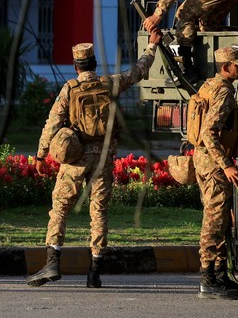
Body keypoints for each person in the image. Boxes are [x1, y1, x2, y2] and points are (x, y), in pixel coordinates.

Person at [26, 30, 161, 289]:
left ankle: (53, 262)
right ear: (94, 64)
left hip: (75, 158)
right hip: (104, 158)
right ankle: (94, 271)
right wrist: (151, 47)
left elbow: (52, 123)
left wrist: (41, 155)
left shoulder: (70, 89)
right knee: (98, 213)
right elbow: (138, 71)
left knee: (60, 209)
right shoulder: (109, 83)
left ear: (76, 66)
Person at [191, 47, 238, 299]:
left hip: (204, 161)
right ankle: (208, 278)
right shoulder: (223, 91)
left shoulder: (209, 86)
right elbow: (209, 132)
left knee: (221, 217)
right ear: (225, 68)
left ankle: (219, 274)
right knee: (214, 220)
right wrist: (226, 165)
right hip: (214, 164)